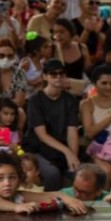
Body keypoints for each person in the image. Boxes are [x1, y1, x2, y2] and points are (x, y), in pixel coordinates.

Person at [23, 59, 82, 190]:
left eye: (61, 74)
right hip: (38, 149)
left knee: (81, 173)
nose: (58, 77)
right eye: (53, 74)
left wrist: (73, 156)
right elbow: (42, 135)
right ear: (45, 77)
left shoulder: (70, 100)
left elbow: (72, 130)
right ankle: (51, 205)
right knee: (52, 174)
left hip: (61, 149)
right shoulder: (35, 100)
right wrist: (67, 152)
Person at [0, 151, 87, 214]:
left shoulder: (18, 196)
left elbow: (52, 195)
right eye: (0, 178)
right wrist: (16, 207)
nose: (7, 183)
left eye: (12, 177)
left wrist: (67, 198)